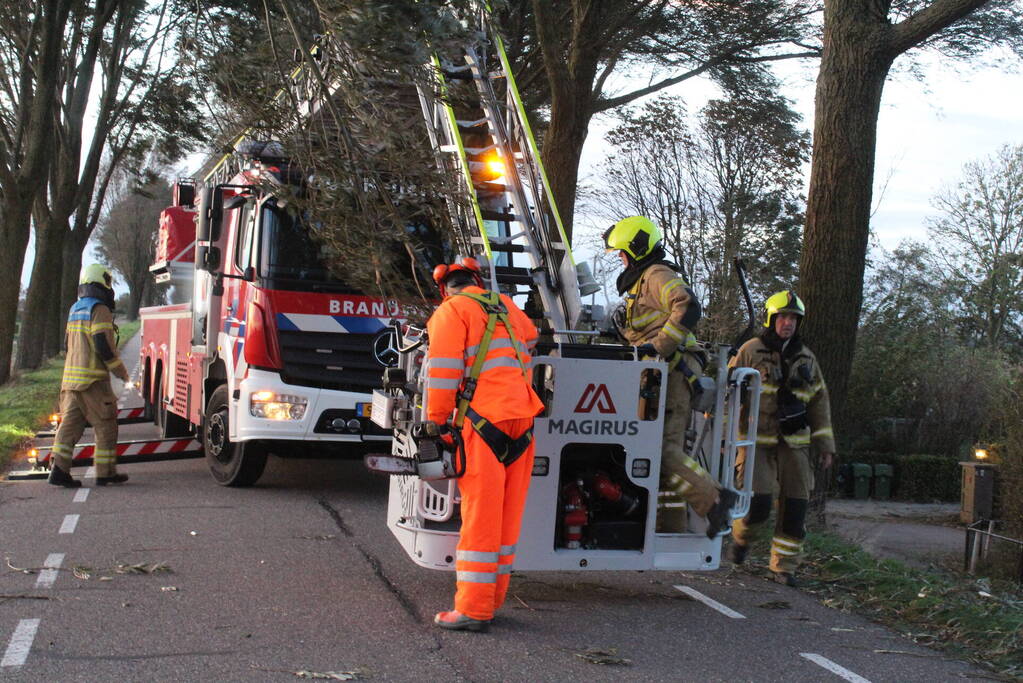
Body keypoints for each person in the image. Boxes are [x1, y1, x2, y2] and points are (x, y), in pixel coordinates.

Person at [425, 257, 543, 632]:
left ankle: (474, 609)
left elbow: (443, 372)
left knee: (480, 515)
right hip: (522, 420)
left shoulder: (450, 312)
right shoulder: (504, 305)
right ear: (476, 281)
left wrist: (437, 422)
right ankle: (491, 600)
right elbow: (531, 336)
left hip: (482, 422)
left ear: (446, 288)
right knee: (507, 517)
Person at [603, 216, 736, 537]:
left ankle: (716, 499)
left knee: (664, 448)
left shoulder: (656, 274)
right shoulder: (642, 280)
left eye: (622, 252)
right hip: (657, 374)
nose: (620, 259)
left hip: (674, 371)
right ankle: (668, 525)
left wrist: (658, 347)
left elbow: (687, 306)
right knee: (653, 452)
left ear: (636, 248)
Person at [726, 290, 835, 586]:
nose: (788, 323)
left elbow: (819, 401)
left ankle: (783, 567)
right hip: (756, 440)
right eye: (783, 317)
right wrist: (721, 433)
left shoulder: (806, 358)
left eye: (793, 318)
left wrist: (825, 446)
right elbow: (729, 393)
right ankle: (741, 537)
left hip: (795, 441)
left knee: (796, 506)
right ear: (771, 319)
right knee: (758, 501)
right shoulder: (750, 350)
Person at [48, 264, 131, 488]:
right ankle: (105, 473)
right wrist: (122, 373)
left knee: (68, 428)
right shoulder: (99, 310)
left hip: (70, 383)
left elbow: (68, 344)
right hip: (93, 382)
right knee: (106, 425)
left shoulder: (75, 309)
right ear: (102, 284)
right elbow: (103, 345)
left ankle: (59, 470)